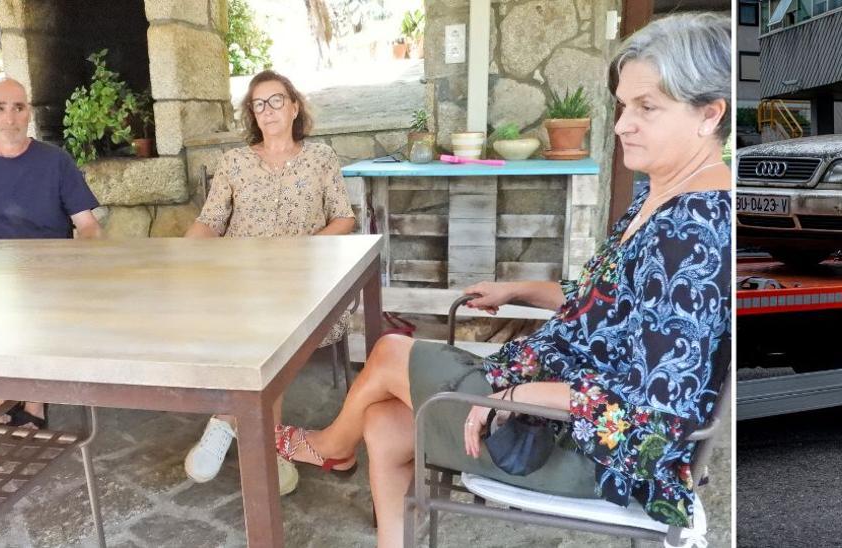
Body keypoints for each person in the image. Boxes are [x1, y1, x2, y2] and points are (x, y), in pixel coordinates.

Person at [275, 12, 732, 547]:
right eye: (623, 105)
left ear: (710, 114)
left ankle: (330, 445)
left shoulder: (693, 234)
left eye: (647, 107)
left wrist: (521, 393)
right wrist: (518, 291)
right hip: (546, 400)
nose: (621, 124)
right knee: (381, 420)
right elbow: (608, 310)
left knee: (389, 354)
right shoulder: (658, 197)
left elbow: (658, 416)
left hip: (591, 452)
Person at [180, 70, 356, 494]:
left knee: (275, 328)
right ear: (252, 114)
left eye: (277, 101)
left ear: (295, 107)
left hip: (303, 281)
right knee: (256, 324)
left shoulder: (321, 158)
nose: (268, 110)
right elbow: (210, 221)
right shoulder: (235, 162)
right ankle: (264, 444)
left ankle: (228, 422)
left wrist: (305, 249)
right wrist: (181, 256)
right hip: (243, 279)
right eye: (259, 104)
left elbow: (344, 217)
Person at [0, 77, 104, 429]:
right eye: (0, 108)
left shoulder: (56, 161)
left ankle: (33, 398)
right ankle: (0, 390)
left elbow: (88, 225)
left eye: (18, 107)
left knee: (38, 303)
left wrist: (88, 256)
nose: (10, 118)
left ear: (29, 113)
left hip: (48, 272)